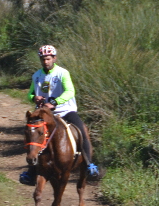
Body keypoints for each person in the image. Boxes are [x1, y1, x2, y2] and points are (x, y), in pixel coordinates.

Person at [19, 45, 100, 186]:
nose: (46, 62)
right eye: (43, 59)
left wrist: (55, 102)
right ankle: (31, 171)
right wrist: (34, 98)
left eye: (48, 59)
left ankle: (89, 164)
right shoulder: (37, 75)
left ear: (54, 58)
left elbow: (70, 91)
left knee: (81, 130)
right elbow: (30, 93)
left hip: (65, 110)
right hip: (44, 113)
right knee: (32, 134)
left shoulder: (63, 73)